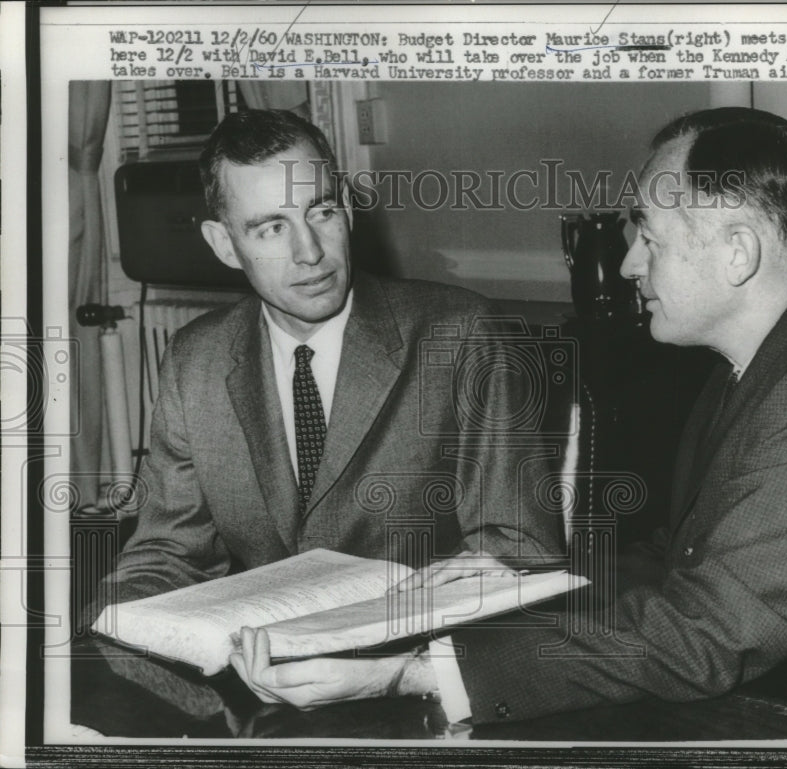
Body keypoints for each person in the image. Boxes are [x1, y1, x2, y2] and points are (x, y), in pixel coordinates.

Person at [230, 107, 787, 731]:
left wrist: (412, 673)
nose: (627, 266)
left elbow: (708, 632)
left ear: (738, 251)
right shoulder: (768, 358)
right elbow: (678, 559)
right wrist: (517, 582)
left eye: (647, 235)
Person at [88, 109, 562, 619]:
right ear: (224, 245)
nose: (309, 252)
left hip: (423, 647)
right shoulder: (196, 359)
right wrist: (99, 630)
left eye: (322, 212)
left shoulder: (460, 334)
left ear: (348, 211)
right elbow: (168, 554)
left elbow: (522, 549)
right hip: (261, 654)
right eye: (272, 228)